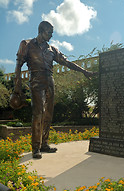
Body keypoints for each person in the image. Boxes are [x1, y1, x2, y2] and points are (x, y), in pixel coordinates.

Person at [14, 21, 94, 159]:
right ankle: (35, 147)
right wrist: (17, 85)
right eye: (49, 32)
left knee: (48, 115)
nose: (51, 35)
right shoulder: (26, 44)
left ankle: (44, 144)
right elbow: (18, 66)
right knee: (38, 113)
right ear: (41, 31)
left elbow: (67, 62)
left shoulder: (52, 49)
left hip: (50, 82)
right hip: (36, 81)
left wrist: (84, 71)